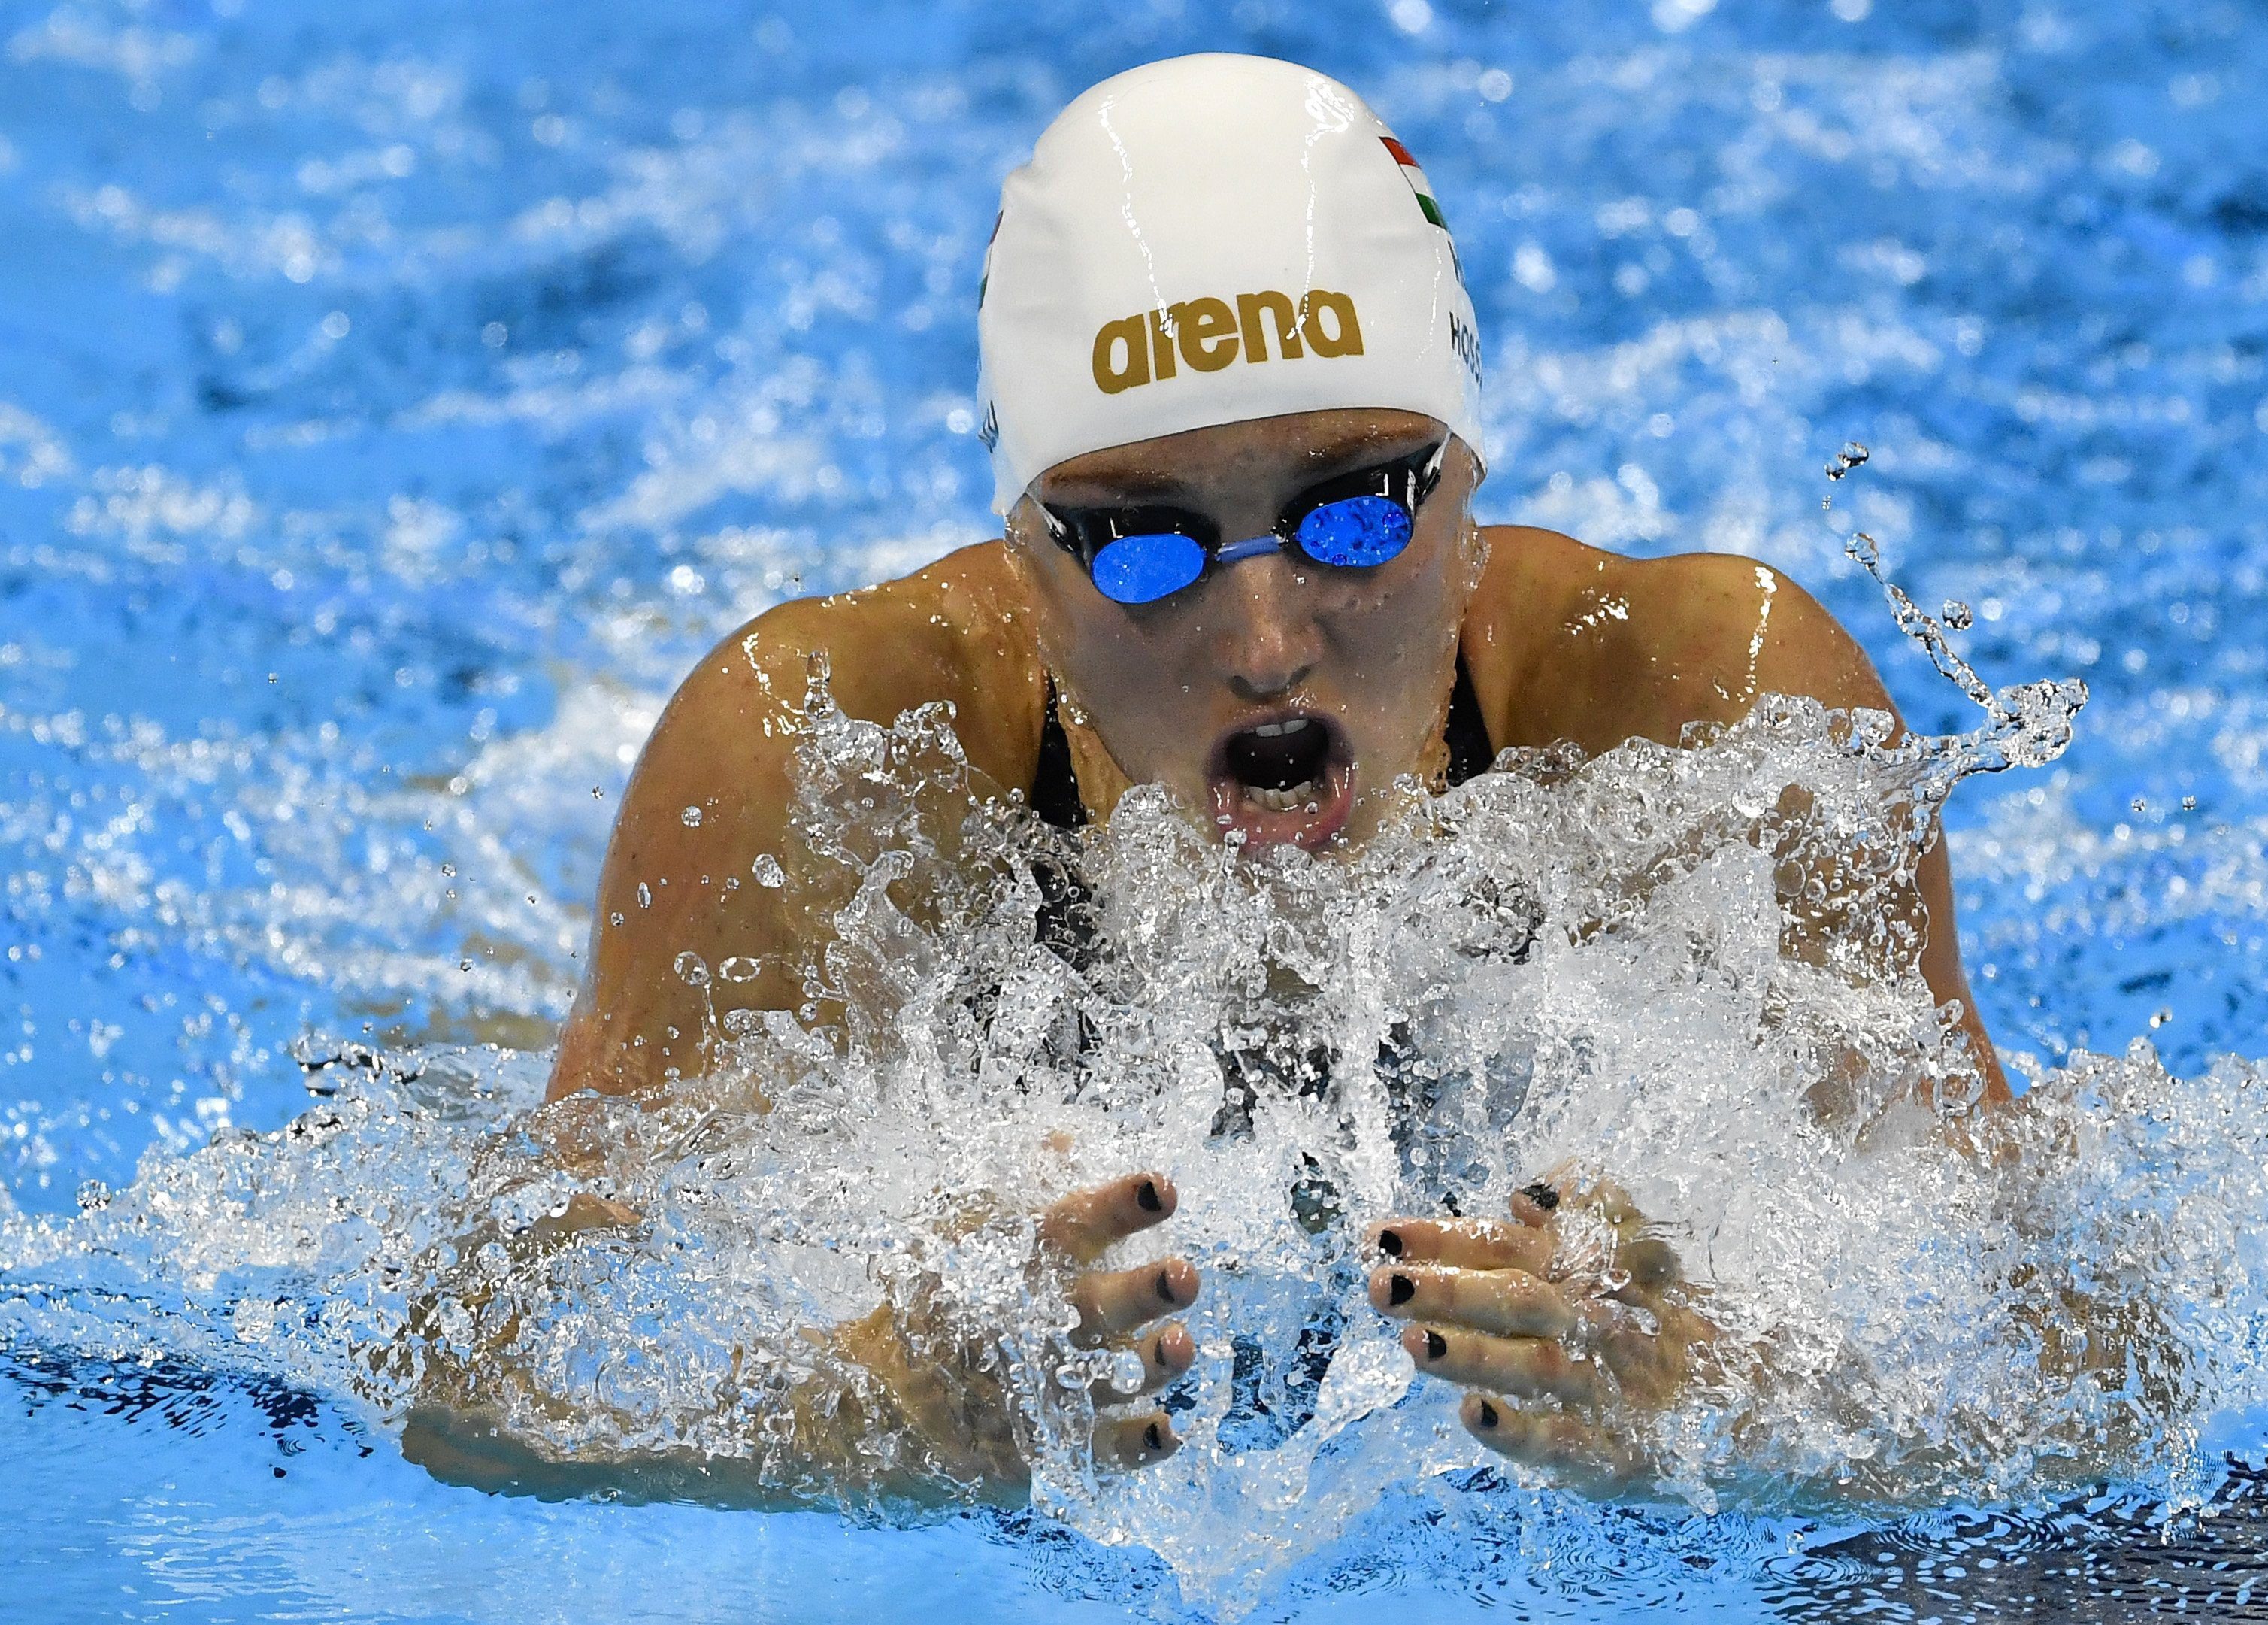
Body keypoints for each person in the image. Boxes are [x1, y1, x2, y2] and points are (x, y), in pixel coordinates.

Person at [421, 53, 2006, 1499]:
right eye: (1141, 541)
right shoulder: (824, 767)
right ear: (1022, 565)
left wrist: (1725, 1393)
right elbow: (474, 1388)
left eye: (1358, 511)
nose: (1264, 643)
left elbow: (2066, 1335)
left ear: (1466, 498)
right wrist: (861, 1409)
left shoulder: (1709, 714)